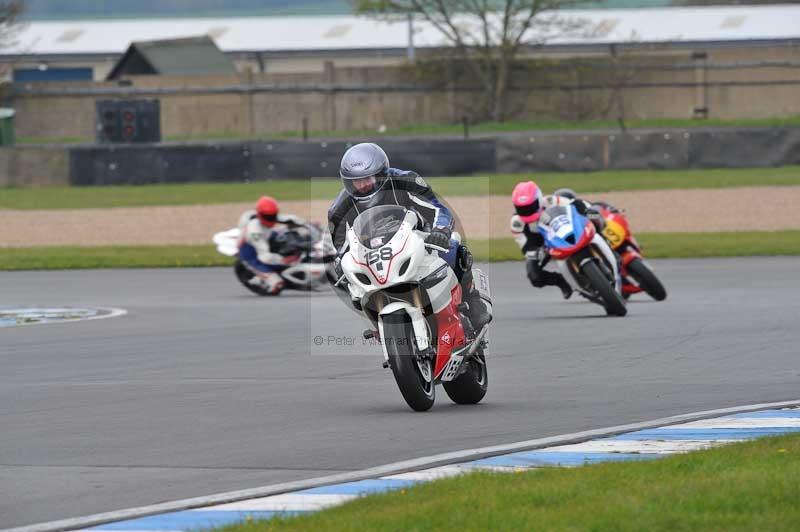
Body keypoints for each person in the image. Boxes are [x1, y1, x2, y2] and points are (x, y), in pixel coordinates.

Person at [327, 142, 491, 329]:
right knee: (352, 287)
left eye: (367, 179)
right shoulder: (339, 209)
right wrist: (341, 261)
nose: (362, 185)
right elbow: (342, 246)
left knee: (454, 247)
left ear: (381, 174)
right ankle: (380, 327)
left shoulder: (406, 181)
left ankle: (472, 299)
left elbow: (438, 209)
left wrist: (441, 231)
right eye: (356, 181)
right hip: (375, 255)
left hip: (417, 240)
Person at [510, 181, 573, 299]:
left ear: (539, 199)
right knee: (533, 275)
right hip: (544, 245)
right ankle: (560, 281)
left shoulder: (551, 201)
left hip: (566, 231)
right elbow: (525, 246)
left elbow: (574, 205)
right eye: (522, 208)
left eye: (530, 207)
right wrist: (535, 252)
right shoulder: (516, 222)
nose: (527, 211)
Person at [238, 196, 307, 295]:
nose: (271, 219)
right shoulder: (254, 231)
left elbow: (288, 219)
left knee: (286, 236)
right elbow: (264, 256)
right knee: (277, 285)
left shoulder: (268, 216)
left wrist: (306, 224)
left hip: (266, 235)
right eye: (268, 217)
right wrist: (283, 260)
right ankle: (262, 280)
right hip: (251, 251)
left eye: (273, 216)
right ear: (260, 215)